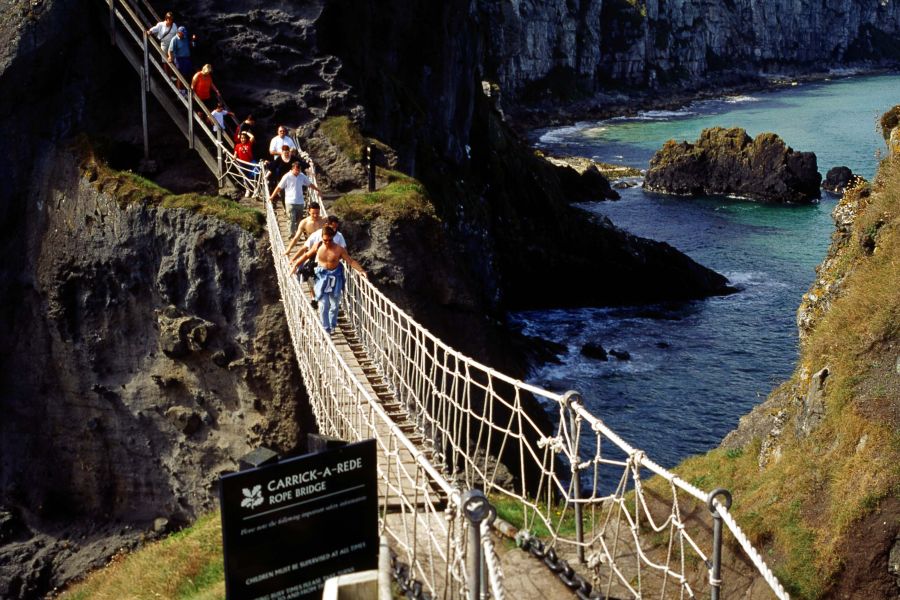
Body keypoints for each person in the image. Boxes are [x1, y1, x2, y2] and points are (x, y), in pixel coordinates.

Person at [292, 226, 367, 334]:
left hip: (335, 277)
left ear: (333, 237)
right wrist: (295, 265)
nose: (327, 242)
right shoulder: (318, 246)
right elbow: (306, 255)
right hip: (321, 277)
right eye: (325, 240)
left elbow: (350, 261)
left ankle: (332, 325)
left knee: (335, 305)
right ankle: (326, 329)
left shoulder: (339, 249)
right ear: (322, 238)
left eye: (330, 240)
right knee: (323, 304)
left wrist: (361, 270)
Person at [268, 162, 320, 235]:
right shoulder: (287, 176)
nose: (298, 172)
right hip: (290, 201)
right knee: (291, 219)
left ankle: (298, 234)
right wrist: (272, 196)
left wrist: (317, 190)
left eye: (299, 170)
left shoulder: (302, 176)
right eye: (296, 170)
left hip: (300, 202)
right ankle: (291, 235)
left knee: (299, 220)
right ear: (292, 169)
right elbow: (279, 187)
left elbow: (309, 184)